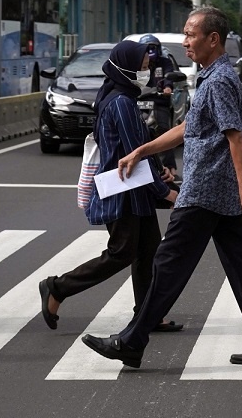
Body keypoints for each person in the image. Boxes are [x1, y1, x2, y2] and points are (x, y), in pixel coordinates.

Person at [82, 7, 242, 369]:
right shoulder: (211, 78)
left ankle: (132, 341)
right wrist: (142, 150)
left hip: (205, 192)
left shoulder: (220, 80)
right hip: (217, 194)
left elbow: (235, 138)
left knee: (166, 265)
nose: (185, 41)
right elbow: (191, 128)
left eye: (191, 34)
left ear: (213, 39)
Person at [38, 40, 181, 331]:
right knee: (121, 252)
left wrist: (160, 170)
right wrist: (166, 193)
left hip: (135, 190)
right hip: (123, 191)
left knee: (148, 252)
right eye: (143, 67)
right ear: (126, 68)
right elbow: (133, 156)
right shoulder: (121, 103)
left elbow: (140, 148)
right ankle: (57, 287)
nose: (148, 71)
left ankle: (148, 313)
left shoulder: (119, 96)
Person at [139, 34, 180, 174]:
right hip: (140, 102)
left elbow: (169, 75)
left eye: (153, 48)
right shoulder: (136, 63)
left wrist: (168, 87)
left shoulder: (164, 63)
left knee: (163, 132)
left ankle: (169, 167)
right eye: (147, 48)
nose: (150, 51)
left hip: (159, 102)